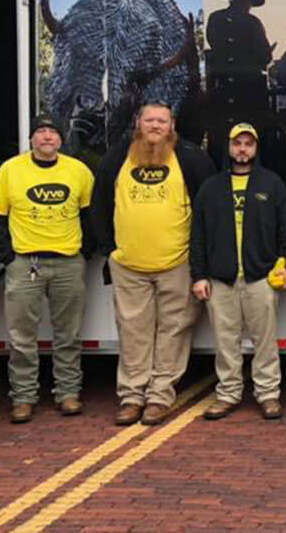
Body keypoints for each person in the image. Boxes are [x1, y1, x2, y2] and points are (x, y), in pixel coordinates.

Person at [90, 101, 215, 426]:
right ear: (138, 123)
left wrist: (199, 260)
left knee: (173, 332)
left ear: (172, 125)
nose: (156, 126)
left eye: (162, 120)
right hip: (128, 265)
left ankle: (159, 397)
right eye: (150, 120)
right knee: (133, 333)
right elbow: (100, 203)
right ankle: (131, 398)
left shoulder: (191, 159)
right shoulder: (117, 158)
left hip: (177, 263)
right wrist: (110, 250)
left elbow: (209, 210)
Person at [0, 113, 95, 423]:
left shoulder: (79, 172)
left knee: (68, 335)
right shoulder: (11, 170)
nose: (47, 137)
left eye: (52, 132)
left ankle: (68, 394)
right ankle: (23, 398)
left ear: (61, 139)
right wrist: (8, 257)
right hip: (25, 264)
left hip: (68, 263)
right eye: (41, 132)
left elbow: (91, 217)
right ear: (31, 139)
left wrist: (84, 252)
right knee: (22, 338)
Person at [189, 123, 286, 420]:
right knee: (226, 343)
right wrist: (198, 275)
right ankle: (228, 394)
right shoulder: (211, 187)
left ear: (256, 148)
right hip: (220, 279)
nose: (242, 149)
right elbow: (197, 234)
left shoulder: (271, 183)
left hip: (261, 277)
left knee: (265, 341)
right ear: (228, 147)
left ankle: (268, 395)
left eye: (248, 144)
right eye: (237, 143)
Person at [205, 0, 273, 170]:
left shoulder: (215, 18)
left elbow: (213, 43)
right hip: (247, 88)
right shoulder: (252, 23)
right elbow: (264, 55)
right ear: (247, 2)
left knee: (219, 134)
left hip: (220, 85)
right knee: (250, 132)